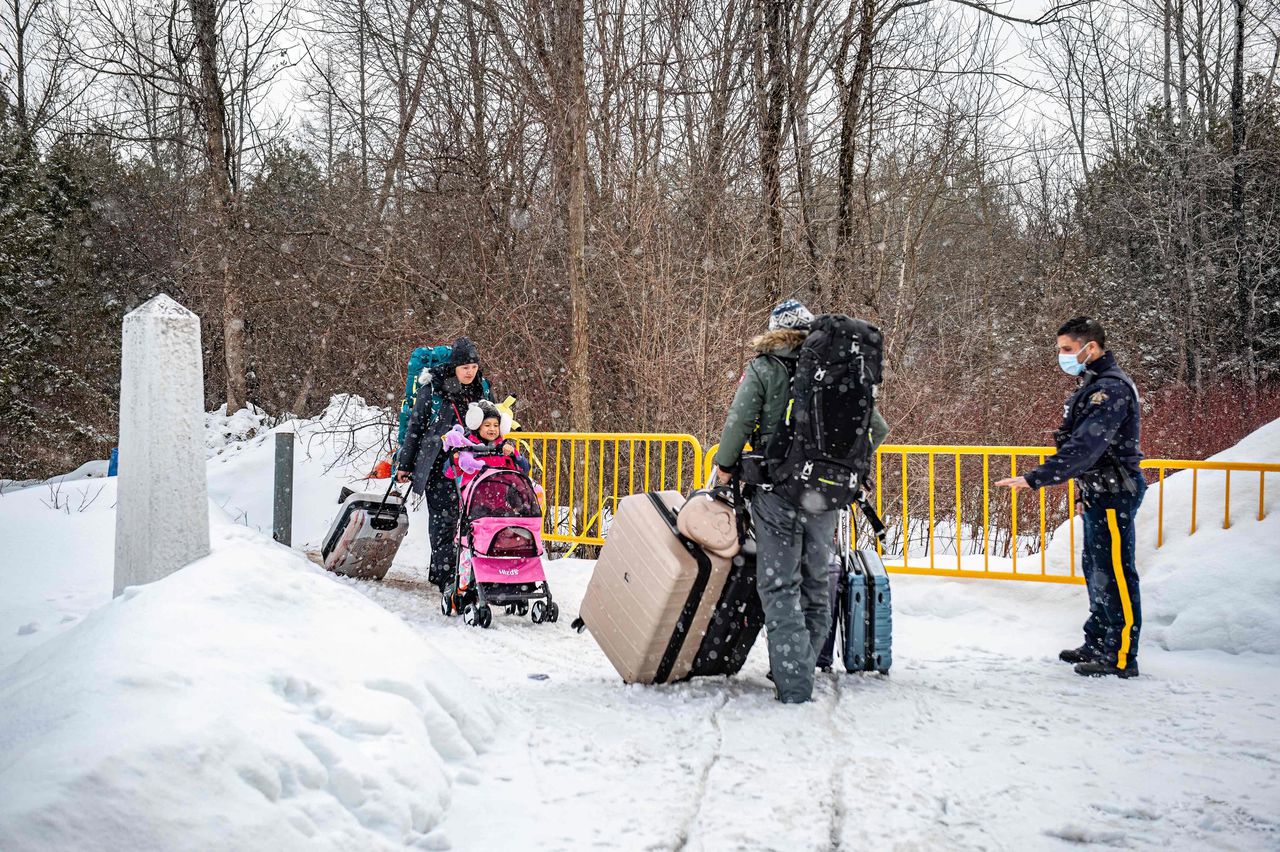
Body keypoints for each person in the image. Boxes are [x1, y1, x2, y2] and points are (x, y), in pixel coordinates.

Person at [713, 299, 890, 703]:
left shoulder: (765, 366)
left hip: (777, 492)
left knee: (779, 587)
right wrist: (841, 464)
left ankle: (793, 684)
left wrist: (725, 467)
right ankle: (799, 667)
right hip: (825, 496)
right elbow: (876, 428)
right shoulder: (840, 366)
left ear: (774, 330)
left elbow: (739, 421)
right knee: (815, 584)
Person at [996, 317, 1146, 679]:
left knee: (1115, 575)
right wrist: (1080, 491)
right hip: (1099, 491)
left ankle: (1121, 655)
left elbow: (1086, 447)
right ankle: (1098, 641)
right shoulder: (1094, 385)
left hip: (1114, 491)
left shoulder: (1110, 389)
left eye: (1067, 349)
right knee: (1096, 570)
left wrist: (1036, 478)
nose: (1062, 356)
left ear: (1089, 347)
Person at [396, 337, 492, 591]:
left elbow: (492, 421)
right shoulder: (433, 391)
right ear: (453, 367)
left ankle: (466, 573)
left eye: (473, 366)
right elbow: (415, 428)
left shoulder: (482, 388)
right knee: (443, 521)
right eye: (464, 367)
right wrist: (404, 465)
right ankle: (445, 577)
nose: (470, 372)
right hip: (440, 465)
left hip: (473, 465)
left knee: (472, 521)